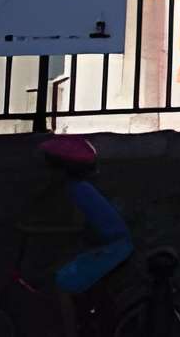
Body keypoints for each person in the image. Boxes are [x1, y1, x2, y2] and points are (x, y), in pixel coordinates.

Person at [28, 133, 134, 332]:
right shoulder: (80, 187)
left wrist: (38, 230)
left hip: (113, 249)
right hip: (111, 246)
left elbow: (75, 226)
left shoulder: (77, 191)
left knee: (62, 285)